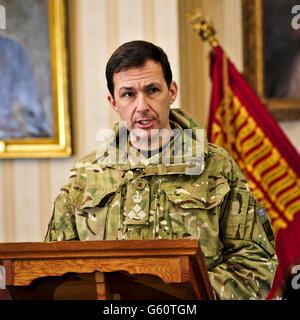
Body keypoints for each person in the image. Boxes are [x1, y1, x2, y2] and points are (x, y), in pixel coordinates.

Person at [45, 40, 278, 300]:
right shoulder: (86, 173)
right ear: (113, 101)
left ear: (172, 91)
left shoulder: (217, 165)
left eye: (152, 90)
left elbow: (256, 259)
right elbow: (53, 266)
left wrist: (186, 298)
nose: (142, 105)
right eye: (128, 94)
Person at [0, 36, 52, 138]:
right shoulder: (12, 47)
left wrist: (38, 128)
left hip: (6, 134)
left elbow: (27, 93)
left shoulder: (11, 48)